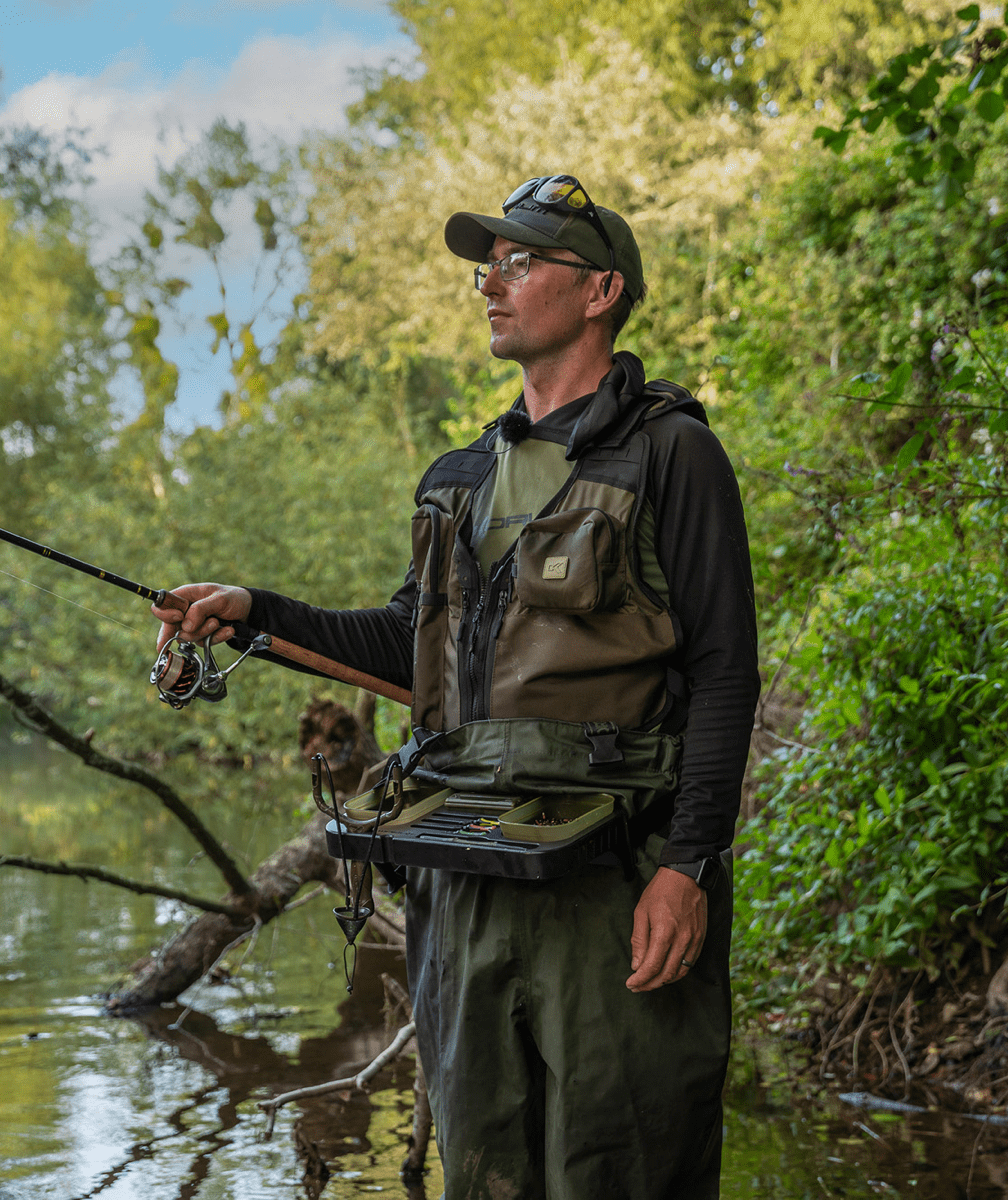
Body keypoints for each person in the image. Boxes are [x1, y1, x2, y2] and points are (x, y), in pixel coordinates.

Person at [152, 174, 758, 1199]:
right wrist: (257, 611)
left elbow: (723, 673)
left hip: (610, 881)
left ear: (601, 289)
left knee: (625, 1164)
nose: (491, 284)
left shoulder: (675, 455)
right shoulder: (456, 480)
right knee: (485, 1170)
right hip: (461, 877)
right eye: (489, 266)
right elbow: (405, 646)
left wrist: (687, 866)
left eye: (519, 263)